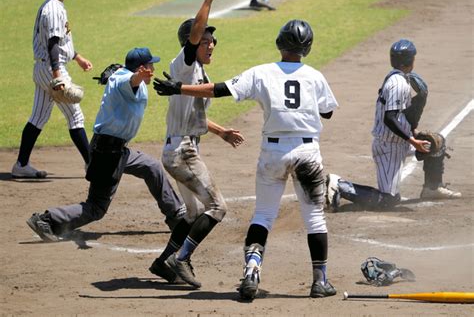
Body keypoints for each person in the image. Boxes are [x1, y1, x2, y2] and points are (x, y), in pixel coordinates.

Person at [154, 19, 339, 300]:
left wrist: (179, 88)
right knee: (314, 219)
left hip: (273, 153)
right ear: (308, 47)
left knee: (263, 216)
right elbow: (327, 112)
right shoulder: (315, 76)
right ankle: (320, 282)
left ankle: (251, 271)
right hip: (307, 154)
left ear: (280, 43)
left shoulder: (262, 72)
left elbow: (219, 89)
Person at [26, 47, 186, 242]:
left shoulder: (121, 73)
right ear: (142, 68)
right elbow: (129, 81)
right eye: (151, 65)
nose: (153, 69)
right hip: (107, 152)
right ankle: (47, 220)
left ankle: (177, 216)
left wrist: (129, 75)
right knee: (96, 207)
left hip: (118, 150)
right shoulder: (126, 80)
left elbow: (121, 75)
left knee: (151, 167)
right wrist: (137, 77)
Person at [147, 0, 245, 289]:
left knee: (192, 214)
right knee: (218, 208)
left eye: (213, 41)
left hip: (178, 149)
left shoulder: (198, 73)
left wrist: (221, 131)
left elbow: (195, 114)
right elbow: (193, 36)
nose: (211, 44)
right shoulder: (185, 66)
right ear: (192, 44)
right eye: (206, 41)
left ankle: (163, 262)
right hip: (182, 153)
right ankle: (182, 258)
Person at [324, 39, 461, 212]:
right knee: (389, 200)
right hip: (389, 147)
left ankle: (431, 188)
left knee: (436, 143)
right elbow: (390, 118)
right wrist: (413, 141)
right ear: (411, 60)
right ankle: (340, 186)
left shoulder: (400, 78)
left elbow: (400, 114)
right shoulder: (397, 83)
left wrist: (414, 133)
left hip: (399, 141)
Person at [12, 0, 93, 178]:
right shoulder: (55, 9)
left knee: (38, 116)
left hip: (42, 67)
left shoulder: (49, 5)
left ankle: (21, 164)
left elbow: (59, 40)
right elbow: (53, 43)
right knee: (75, 116)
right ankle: (92, 165)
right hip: (51, 68)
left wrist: (77, 57)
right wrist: (58, 74)